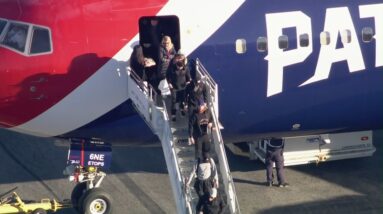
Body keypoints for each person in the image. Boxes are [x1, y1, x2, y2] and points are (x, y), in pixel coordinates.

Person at [166, 53, 191, 121]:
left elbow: (188, 77)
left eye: (181, 67)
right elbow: (167, 76)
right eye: (178, 67)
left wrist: (188, 81)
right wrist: (169, 83)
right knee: (174, 101)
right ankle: (173, 115)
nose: (180, 68)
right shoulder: (172, 68)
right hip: (174, 87)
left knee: (182, 100)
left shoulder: (185, 68)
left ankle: (182, 110)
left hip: (183, 87)